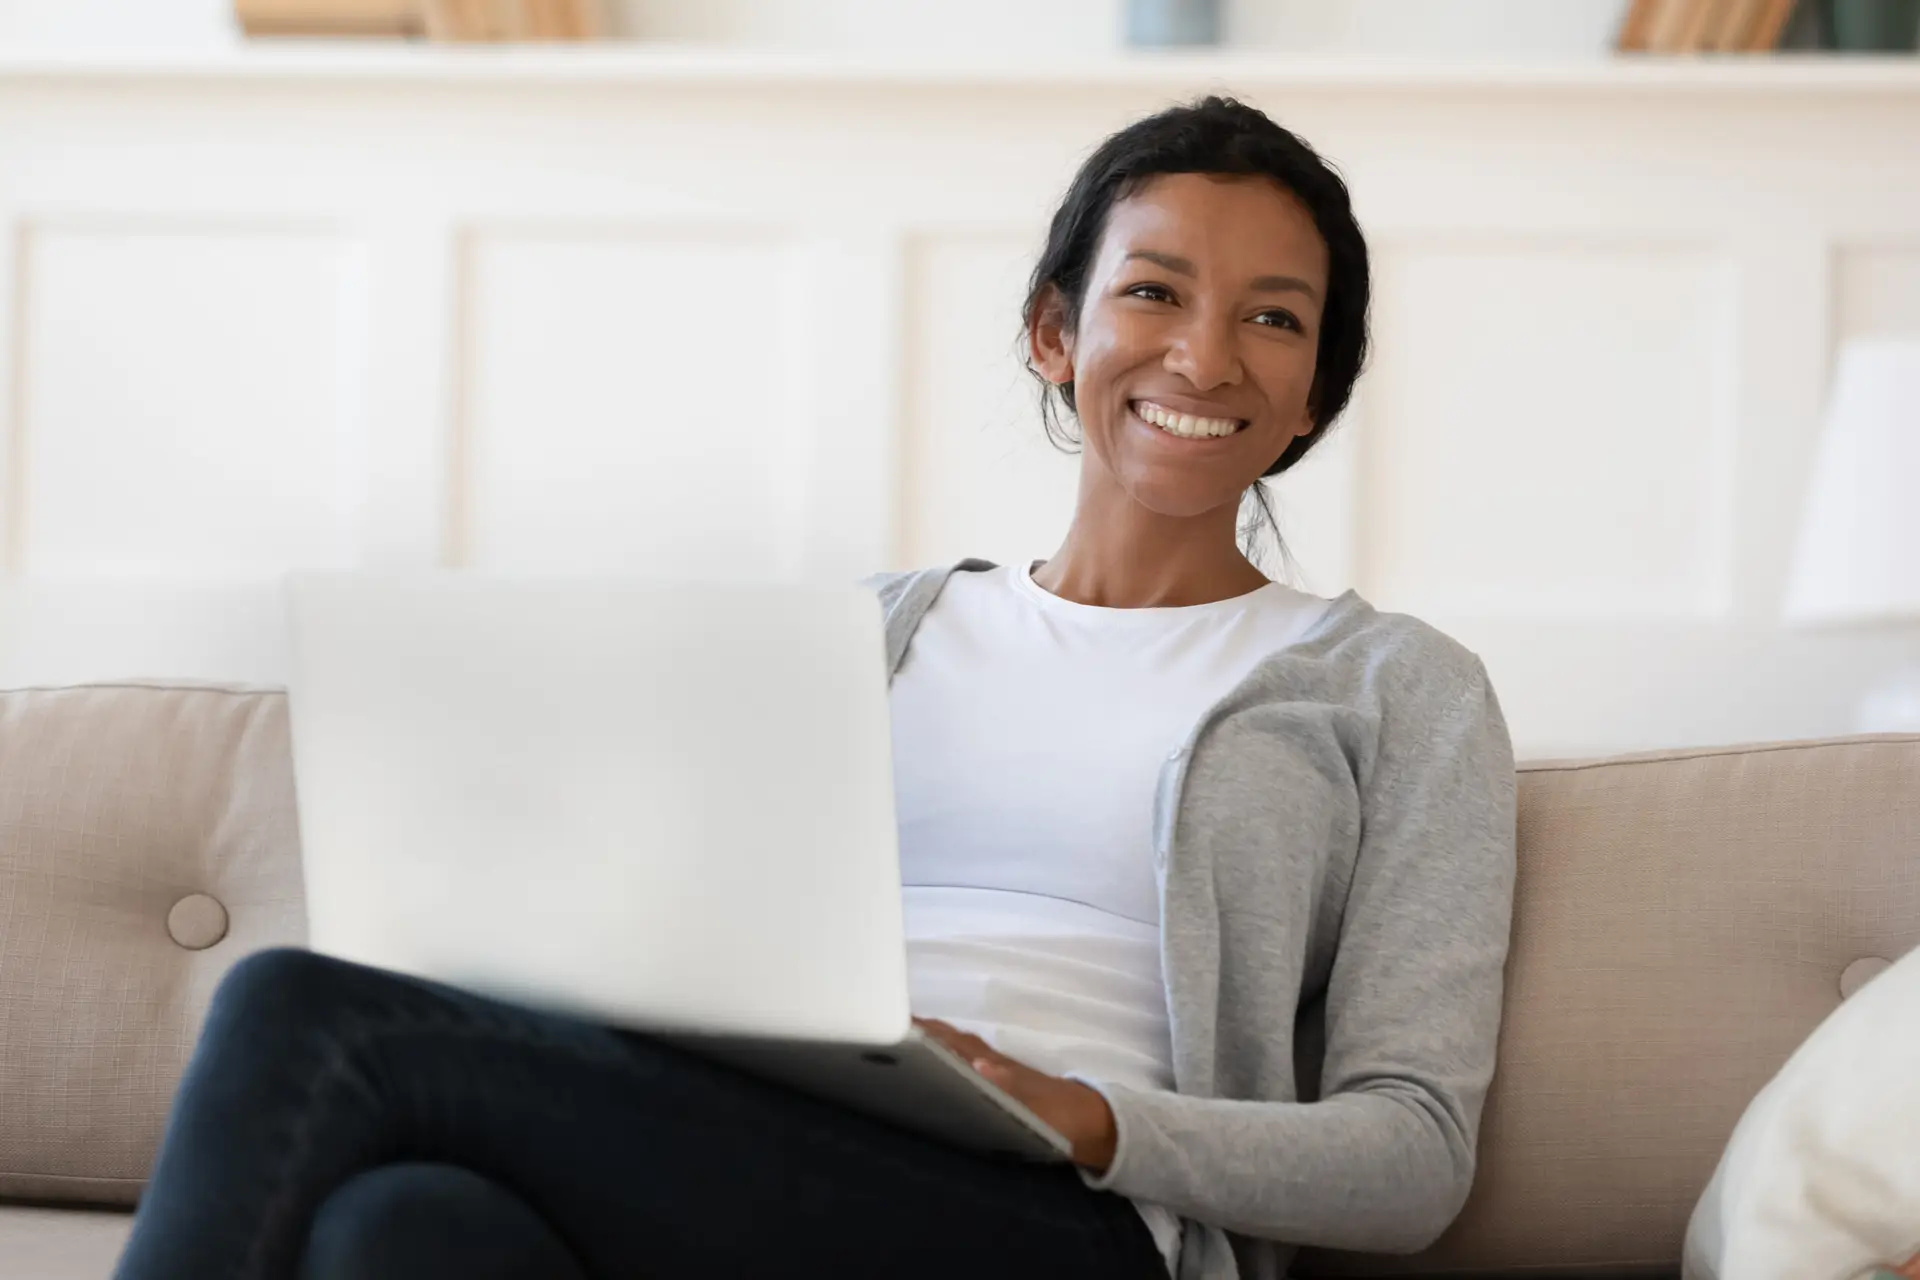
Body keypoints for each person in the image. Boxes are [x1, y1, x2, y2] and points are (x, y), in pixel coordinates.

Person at [111, 96, 1516, 1280]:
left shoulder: (1400, 690)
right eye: (1152, 291)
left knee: (300, 1010)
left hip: (1068, 1222)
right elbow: (685, 943)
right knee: (398, 1233)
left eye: (1274, 320)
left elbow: (1411, 1157)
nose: (1205, 358)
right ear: (1052, 332)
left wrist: (1082, 1115)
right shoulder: (860, 636)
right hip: (754, 1140)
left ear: (1317, 392)